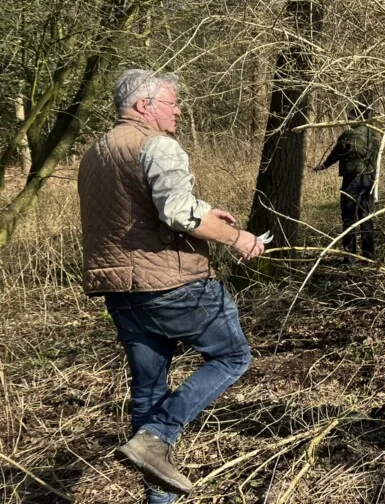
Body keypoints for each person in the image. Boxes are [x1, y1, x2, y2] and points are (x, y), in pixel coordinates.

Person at [78, 70, 264, 504]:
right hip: (171, 283)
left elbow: (142, 208)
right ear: (144, 105)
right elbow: (178, 215)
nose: (178, 109)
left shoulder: (96, 153)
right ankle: (158, 436)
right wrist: (238, 238)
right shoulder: (158, 146)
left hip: (119, 289)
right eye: (171, 102)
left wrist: (205, 210)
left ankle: (157, 494)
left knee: (148, 390)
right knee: (233, 355)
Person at [314, 105, 380, 262]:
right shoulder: (374, 136)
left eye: (350, 117)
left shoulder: (348, 135)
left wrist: (323, 166)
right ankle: (368, 255)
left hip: (351, 181)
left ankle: (350, 257)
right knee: (366, 217)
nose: (348, 120)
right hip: (369, 179)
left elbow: (336, 154)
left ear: (357, 118)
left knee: (349, 218)